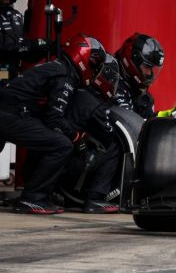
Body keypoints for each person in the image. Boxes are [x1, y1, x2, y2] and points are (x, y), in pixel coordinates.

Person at [0, 33, 106, 214]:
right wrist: (77, 136)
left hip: (8, 112)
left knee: (47, 138)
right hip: (11, 115)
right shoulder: (65, 75)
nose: (94, 68)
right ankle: (32, 198)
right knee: (62, 145)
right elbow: (54, 119)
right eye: (94, 62)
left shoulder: (59, 67)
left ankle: (40, 194)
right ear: (83, 55)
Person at [60, 54, 120, 214]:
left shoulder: (77, 91)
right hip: (69, 162)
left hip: (58, 159)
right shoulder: (94, 103)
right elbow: (109, 132)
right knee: (114, 147)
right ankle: (95, 198)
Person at [0, 0, 49, 85]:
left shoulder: (16, 16)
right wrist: (28, 45)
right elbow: (7, 46)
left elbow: (25, 53)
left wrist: (42, 48)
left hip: (14, 78)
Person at [114, 33, 164, 119]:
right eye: (147, 67)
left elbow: (148, 128)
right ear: (134, 59)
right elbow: (128, 124)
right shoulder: (110, 82)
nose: (150, 73)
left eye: (152, 68)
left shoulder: (144, 97)